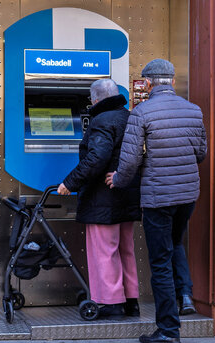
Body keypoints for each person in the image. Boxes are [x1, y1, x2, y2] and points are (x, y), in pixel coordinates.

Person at [105, 59, 207, 343]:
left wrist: (118, 180)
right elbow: (200, 153)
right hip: (187, 196)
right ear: (172, 82)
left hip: (158, 198)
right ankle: (184, 295)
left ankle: (168, 330)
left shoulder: (142, 112)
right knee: (174, 245)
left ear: (147, 84)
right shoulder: (194, 110)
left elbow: (130, 160)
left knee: (159, 262)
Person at [57, 79, 142, 319]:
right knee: (126, 248)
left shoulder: (101, 120)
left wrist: (70, 183)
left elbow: (97, 158)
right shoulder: (129, 118)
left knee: (104, 250)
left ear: (95, 99)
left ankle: (110, 302)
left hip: (103, 197)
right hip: (127, 194)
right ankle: (131, 300)